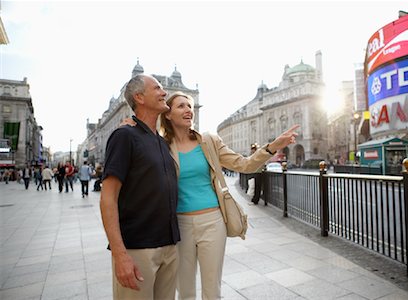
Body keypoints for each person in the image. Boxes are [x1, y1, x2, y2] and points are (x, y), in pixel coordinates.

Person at [124, 91, 299, 299]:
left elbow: (244, 164)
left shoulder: (208, 141)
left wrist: (273, 147)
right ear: (168, 114)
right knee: (185, 291)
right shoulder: (159, 146)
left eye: (190, 106)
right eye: (181, 106)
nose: (188, 110)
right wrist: (131, 129)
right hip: (178, 225)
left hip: (212, 222)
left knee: (212, 290)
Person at [100, 74, 180, 300]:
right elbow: (108, 197)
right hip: (138, 249)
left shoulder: (162, 142)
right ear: (139, 97)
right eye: (158, 88)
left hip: (169, 245)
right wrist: (119, 254)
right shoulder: (124, 136)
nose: (164, 93)